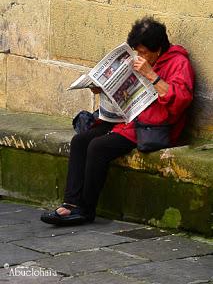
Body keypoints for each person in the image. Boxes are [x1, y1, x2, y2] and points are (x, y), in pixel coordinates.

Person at [41, 16, 195, 226]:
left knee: (98, 146)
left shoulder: (179, 63)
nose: (139, 56)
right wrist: (103, 87)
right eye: (136, 51)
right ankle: (71, 204)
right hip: (126, 117)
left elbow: (181, 101)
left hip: (150, 125)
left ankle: (86, 210)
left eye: (143, 53)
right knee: (80, 141)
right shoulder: (139, 58)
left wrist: (152, 75)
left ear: (158, 49)